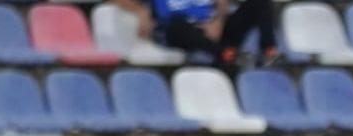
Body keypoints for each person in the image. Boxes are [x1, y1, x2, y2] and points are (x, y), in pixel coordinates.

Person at [112, 0, 279, 67]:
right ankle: (226, 53)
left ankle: (268, 51)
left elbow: (221, 3)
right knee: (178, 24)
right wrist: (141, 10)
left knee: (260, 3)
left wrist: (217, 21)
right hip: (176, 30)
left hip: (212, 27)